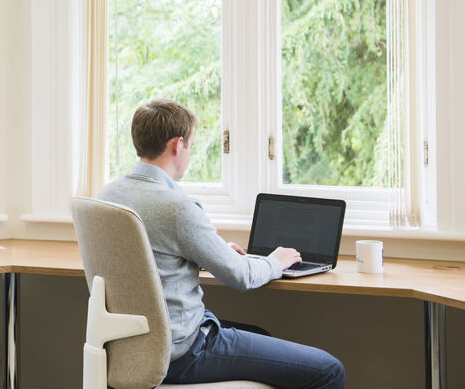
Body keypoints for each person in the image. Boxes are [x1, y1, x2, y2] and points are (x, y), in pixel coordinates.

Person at [96, 99, 345, 388]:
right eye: (190, 145)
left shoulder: (108, 194)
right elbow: (241, 277)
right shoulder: (178, 208)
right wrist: (276, 261)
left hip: (129, 346)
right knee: (329, 370)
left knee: (259, 334)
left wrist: (211, 251)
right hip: (182, 352)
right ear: (178, 145)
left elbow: (150, 252)